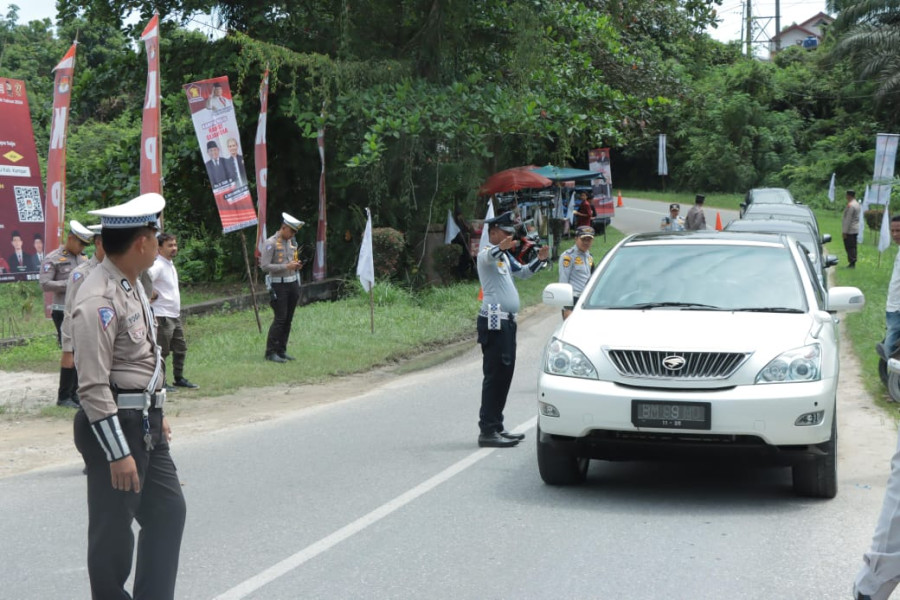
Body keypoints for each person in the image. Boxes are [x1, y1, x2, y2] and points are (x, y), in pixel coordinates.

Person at [71, 192, 186, 600]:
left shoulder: (132, 282)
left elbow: (140, 358)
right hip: (115, 427)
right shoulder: (97, 298)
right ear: (142, 242)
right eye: (156, 236)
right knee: (113, 536)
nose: (160, 244)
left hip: (145, 422)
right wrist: (118, 452)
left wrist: (157, 408)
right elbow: (92, 387)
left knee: (168, 512)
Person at [476, 210, 550, 448]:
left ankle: (497, 425)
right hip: (493, 319)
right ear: (494, 232)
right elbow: (489, 256)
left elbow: (524, 273)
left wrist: (540, 259)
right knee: (495, 374)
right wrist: (503, 247)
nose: (509, 238)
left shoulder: (505, 257)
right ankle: (487, 430)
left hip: (507, 320)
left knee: (505, 375)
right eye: (505, 234)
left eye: (510, 234)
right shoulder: (485, 253)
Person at [41, 220, 93, 408]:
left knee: (81, 352)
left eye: (84, 245)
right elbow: (45, 283)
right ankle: (64, 396)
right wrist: (70, 284)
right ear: (70, 239)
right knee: (69, 351)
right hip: (63, 311)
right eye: (79, 243)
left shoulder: (84, 258)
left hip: (82, 309)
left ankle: (75, 393)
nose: (81, 248)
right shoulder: (53, 258)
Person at [59, 225, 105, 410]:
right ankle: (68, 396)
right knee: (80, 365)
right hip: (85, 331)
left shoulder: (117, 271)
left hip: (105, 332)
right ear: (99, 243)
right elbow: (70, 309)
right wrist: (68, 343)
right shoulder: (83, 273)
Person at [149, 232, 199, 391]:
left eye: (175, 245)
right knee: (162, 351)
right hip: (162, 314)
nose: (174, 248)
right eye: (170, 245)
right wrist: (152, 293)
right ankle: (161, 382)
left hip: (174, 314)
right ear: (159, 247)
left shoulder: (169, 264)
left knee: (180, 347)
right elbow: (142, 280)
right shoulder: (157, 265)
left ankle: (179, 377)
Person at [260, 212, 304, 362]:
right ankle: (270, 351)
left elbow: (292, 260)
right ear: (284, 228)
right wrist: (286, 266)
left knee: (288, 319)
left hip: (292, 282)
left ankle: (281, 349)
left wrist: (296, 266)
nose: (292, 234)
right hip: (278, 285)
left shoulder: (292, 243)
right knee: (280, 318)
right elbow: (264, 266)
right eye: (291, 231)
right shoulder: (270, 243)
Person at [558, 225, 595, 319]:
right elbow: (563, 283)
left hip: (587, 300)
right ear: (576, 238)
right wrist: (567, 308)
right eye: (583, 239)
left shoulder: (589, 256)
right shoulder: (568, 257)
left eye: (589, 240)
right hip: (573, 301)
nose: (586, 242)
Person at [843, 189, 861, 268]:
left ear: (849, 195)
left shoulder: (851, 205)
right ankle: (853, 260)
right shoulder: (857, 204)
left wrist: (844, 231)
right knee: (853, 246)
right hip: (855, 228)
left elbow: (848, 219)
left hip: (850, 229)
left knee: (849, 246)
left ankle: (852, 262)